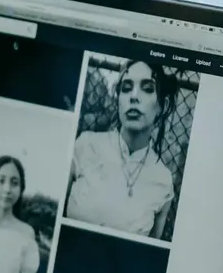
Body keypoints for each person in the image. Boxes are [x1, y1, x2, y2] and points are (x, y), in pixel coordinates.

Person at [65, 60, 177, 240]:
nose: (134, 96)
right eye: (126, 88)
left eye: (147, 88)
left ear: (160, 106)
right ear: (119, 100)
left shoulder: (163, 180)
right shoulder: (86, 145)